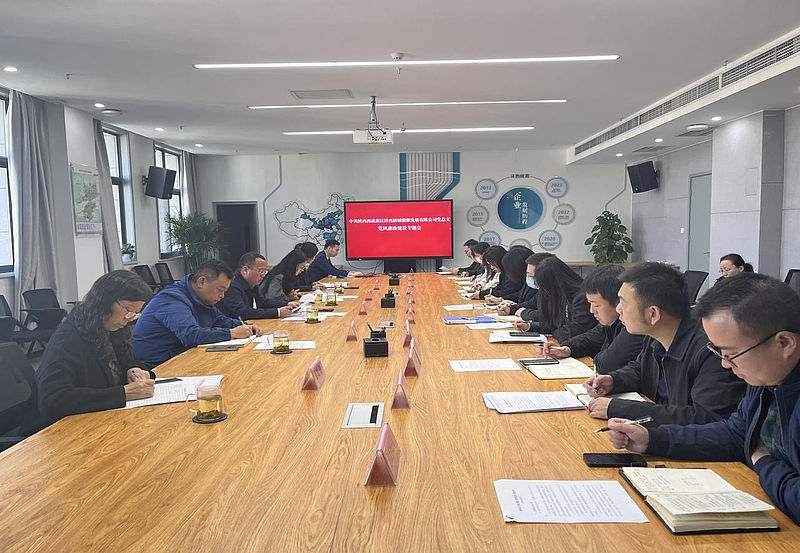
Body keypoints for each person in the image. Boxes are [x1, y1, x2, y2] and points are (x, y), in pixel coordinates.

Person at [607, 274, 800, 524]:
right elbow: (735, 434)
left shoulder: (766, 374)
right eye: (718, 352)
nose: (724, 364)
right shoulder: (767, 376)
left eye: (730, 354)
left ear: (784, 343)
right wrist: (653, 439)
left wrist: (764, 463)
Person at [583, 262, 745, 425]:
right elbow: (641, 369)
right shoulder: (656, 333)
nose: (618, 309)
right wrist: (613, 381)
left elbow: (705, 418)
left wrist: (623, 409)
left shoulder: (711, 349)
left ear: (653, 314)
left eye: (623, 303)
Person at [34, 271, 156, 426]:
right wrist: (123, 393)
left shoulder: (107, 326)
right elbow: (53, 400)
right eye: (128, 310)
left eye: (136, 313)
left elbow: (123, 359)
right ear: (106, 301)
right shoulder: (67, 341)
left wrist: (133, 369)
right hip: (58, 429)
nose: (129, 318)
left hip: (99, 417)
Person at [132, 259, 261, 367]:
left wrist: (245, 326)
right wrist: (232, 333)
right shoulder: (172, 299)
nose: (222, 296)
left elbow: (219, 319)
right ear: (201, 282)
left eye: (224, 292)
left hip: (182, 358)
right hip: (156, 367)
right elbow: (190, 335)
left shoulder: (201, 298)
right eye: (220, 290)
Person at [543, 264, 645, 373]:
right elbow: (589, 339)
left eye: (596, 305)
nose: (591, 310)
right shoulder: (609, 324)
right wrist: (566, 349)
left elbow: (605, 364)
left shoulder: (634, 328)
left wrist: (597, 356)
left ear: (618, 302)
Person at [513, 256, 596, 342]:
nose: (544, 291)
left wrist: (556, 332)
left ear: (553, 283)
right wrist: (529, 326)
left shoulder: (580, 298)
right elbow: (555, 324)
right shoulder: (560, 295)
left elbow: (573, 332)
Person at [217, 252, 298, 320]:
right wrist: (277, 312)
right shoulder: (231, 285)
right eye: (261, 271)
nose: (263, 275)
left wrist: (286, 304)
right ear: (245, 270)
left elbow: (262, 301)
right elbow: (243, 312)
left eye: (265, 272)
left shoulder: (252, 283)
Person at [496, 252, 553, 320]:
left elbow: (544, 315)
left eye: (531, 276)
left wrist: (523, 313)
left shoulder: (556, 290)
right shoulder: (543, 289)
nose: (529, 278)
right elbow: (531, 303)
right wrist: (510, 309)